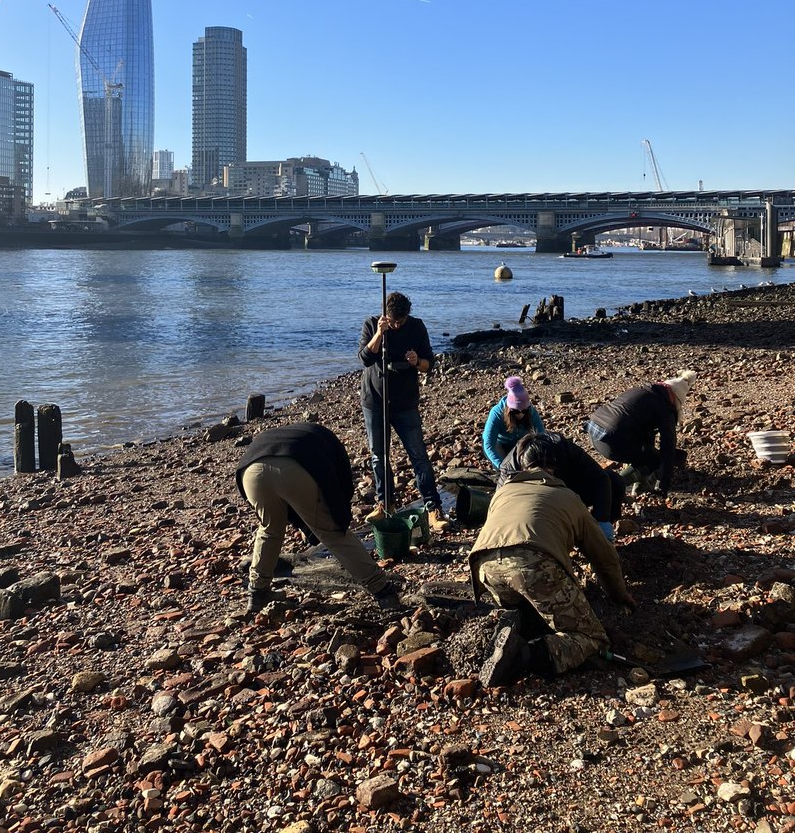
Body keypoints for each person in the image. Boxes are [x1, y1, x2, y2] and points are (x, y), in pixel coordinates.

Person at [469, 434, 635, 683]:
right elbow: (604, 558)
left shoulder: (503, 493)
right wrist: (619, 595)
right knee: (592, 638)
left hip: (485, 569)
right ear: (555, 468)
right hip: (531, 566)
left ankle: (512, 624)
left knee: (531, 608)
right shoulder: (568, 497)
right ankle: (523, 656)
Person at [235, 421, 399, 613]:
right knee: (334, 534)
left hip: (250, 472)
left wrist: (306, 524)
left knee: (270, 529)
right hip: (290, 468)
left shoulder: (300, 436)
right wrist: (337, 519)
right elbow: (339, 486)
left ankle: (257, 592)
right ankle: (383, 590)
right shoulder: (330, 445)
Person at [358, 291, 448, 531]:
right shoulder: (372, 324)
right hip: (375, 400)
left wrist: (416, 361)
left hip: (405, 402)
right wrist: (379, 333)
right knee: (379, 455)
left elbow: (430, 365)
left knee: (418, 455)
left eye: (401, 321)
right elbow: (365, 358)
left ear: (408, 315)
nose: (397, 325)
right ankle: (385, 504)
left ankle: (433, 507)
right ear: (386, 315)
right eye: (394, 321)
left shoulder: (417, 327)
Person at [497, 430, 624, 541]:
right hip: (534, 506)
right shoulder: (510, 469)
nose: (544, 477)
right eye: (538, 473)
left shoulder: (563, 448)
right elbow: (500, 507)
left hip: (570, 492)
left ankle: (602, 533)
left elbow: (600, 477)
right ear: (524, 467)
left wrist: (602, 520)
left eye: (548, 471)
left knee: (614, 481)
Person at [586, 370, 696, 494]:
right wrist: (663, 484)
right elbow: (668, 448)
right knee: (655, 459)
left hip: (594, 432)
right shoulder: (665, 409)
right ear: (676, 399)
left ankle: (639, 486)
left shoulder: (640, 391)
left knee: (643, 448)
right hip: (613, 441)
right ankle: (609, 489)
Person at [482, 376, 545, 468]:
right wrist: (501, 467)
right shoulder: (496, 413)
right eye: (515, 411)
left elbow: (542, 437)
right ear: (509, 409)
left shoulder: (531, 411)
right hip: (500, 445)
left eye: (524, 411)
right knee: (506, 467)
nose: (520, 414)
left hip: (520, 445)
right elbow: (489, 444)